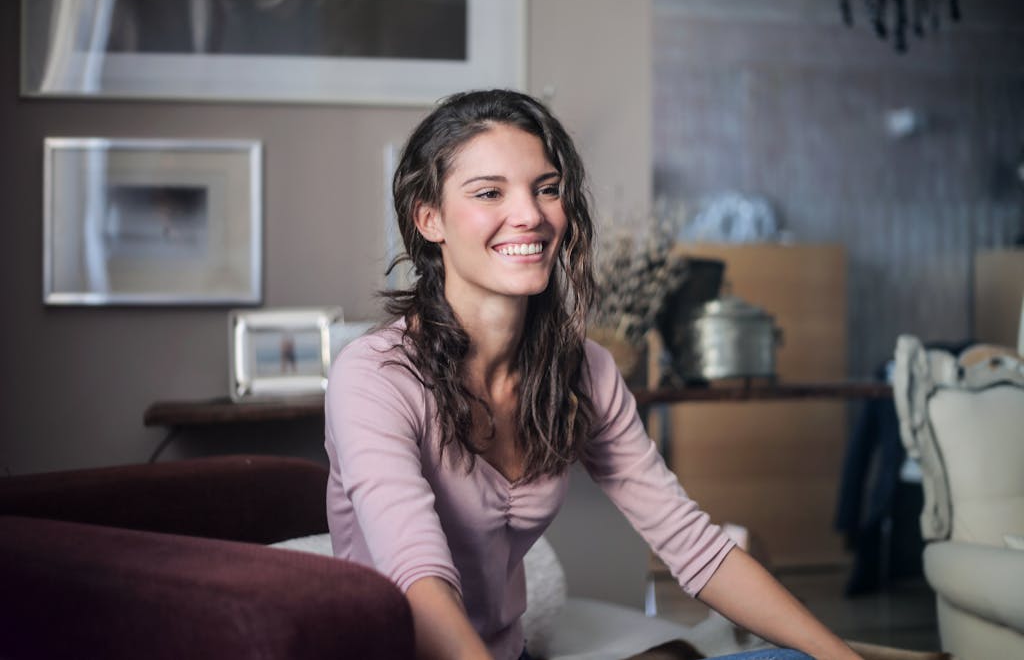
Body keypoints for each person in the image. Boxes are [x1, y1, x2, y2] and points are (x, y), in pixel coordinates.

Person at [324, 89, 861, 660]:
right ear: (429, 219)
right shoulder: (375, 377)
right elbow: (418, 580)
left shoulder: (584, 370)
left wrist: (840, 658)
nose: (530, 214)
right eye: (489, 193)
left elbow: (693, 546)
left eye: (546, 188)